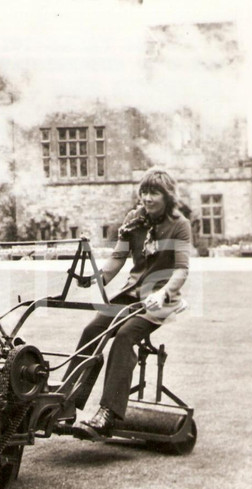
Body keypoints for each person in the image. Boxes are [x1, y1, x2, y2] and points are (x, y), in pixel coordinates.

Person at [70, 168, 192, 438]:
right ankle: (67, 399)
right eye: (144, 192)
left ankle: (108, 414)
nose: (148, 198)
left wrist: (163, 294)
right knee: (92, 331)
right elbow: (118, 257)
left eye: (154, 193)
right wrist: (97, 277)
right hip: (131, 295)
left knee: (125, 336)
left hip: (159, 299)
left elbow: (181, 270)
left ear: (167, 195)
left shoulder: (179, 224)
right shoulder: (134, 220)